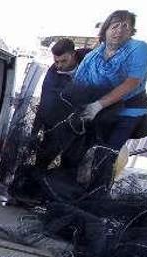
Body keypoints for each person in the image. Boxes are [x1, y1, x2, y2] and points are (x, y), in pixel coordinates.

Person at [72, 10, 147, 189]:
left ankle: (97, 195)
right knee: (82, 150)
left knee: (106, 155)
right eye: (114, 26)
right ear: (105, 29)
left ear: (131, 31)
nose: (119, 30)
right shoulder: (93, 56)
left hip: (128, 111)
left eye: (125, 26)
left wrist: (98, 105)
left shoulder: (139, 48)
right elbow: (78, 82)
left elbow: (132, 82)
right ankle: (78, 190)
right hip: (101, 112)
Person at [34, 38, 91, 171]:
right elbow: (44, 105)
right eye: (56, 61)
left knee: (72, 163)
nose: (59, 65)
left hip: (87, 121)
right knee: (42, 160)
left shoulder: (91, 59)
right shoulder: (52, 75)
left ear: (74, 55)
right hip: (60, 122)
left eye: (63, 61)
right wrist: (35, 131)